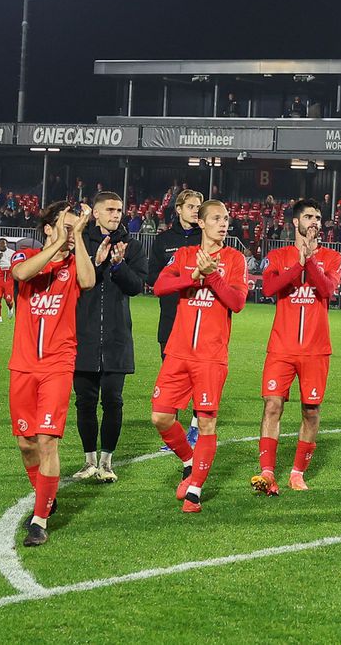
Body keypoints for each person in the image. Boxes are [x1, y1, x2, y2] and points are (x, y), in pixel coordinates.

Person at [149, 200, 248, 513]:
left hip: (210, 355)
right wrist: (195, 275)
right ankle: (190, 461)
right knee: (161, 416)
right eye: (216, 218)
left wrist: (213, 277)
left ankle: (194, 490)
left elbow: (237, 302)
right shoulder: (184, 255)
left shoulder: (235, 259)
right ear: (201, 223)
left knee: (206, 422)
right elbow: (160, 286)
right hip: (178, 351)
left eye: (226, 219)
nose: (223, 223)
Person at [9, 201, 97, 546]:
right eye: (65, 225)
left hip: (58, 365)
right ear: (48, 228)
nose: (72, 233)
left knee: (47, 440)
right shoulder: (25, 255)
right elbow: (21, 275)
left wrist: (77, 240)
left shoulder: (76, 265)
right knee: (25, 443)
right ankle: (45, 494)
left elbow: (89, 281)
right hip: (23, 365)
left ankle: (40, 521)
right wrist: (60, 244)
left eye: (77, 228)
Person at [252, 200, 341, 496]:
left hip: (316, 350)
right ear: (295, 222)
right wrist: (299, 264)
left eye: (318, 217)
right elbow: (269, 288)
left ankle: (296, 473)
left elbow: (328, 289)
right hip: (281, 347)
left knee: (311, 411)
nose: (314, 221)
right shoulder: (277, 255)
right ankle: (267, 472)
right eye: (308, 216)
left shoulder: (332, 257)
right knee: (272, 405)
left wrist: (311, 262)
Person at [72, 192, 147, 483]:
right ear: (96, 214)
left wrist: (117, 266)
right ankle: (88, 460)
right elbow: (79, 281)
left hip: (117, 337)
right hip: (83, 336)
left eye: (119, 210)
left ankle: (106, 462)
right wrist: (98, 261)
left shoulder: (132, 245)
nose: (117, 215)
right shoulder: (81, 242)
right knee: (85, 401)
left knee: (113, 401)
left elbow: (136, 286)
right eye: (111, 210)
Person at [148, 189, 204, 447]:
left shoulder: (206, 238)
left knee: (199, 374)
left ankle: (195, 428)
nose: (196, 210)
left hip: (199, 317)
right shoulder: (162, 241)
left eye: (199, 206)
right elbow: (152, 278)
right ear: (179, 209)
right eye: (191, 206)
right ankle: (176, 428)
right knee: (171, 373)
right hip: (170, 316)